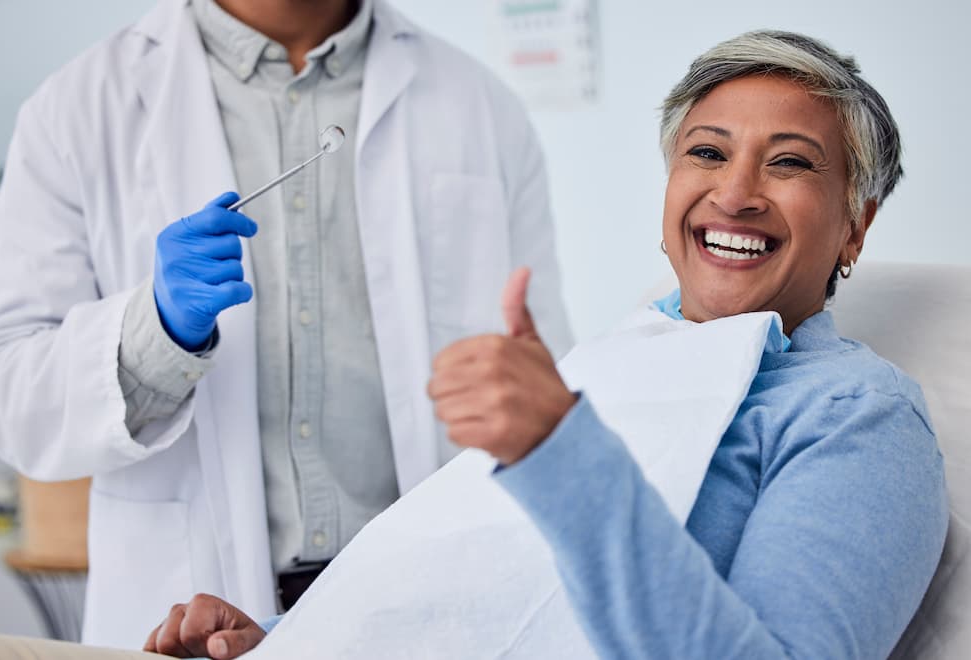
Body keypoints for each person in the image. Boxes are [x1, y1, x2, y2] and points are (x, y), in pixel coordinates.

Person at [125, 30, 946, 660]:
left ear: (856, 224)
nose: (734, 193)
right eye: (706, 152)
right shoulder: (609, 363)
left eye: (791, 164)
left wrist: (565, 457)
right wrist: (289, 638)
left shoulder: (856, 418)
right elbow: (475, 586)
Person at [0, 0, 572, 649]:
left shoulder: (479, 105)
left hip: (432, 612)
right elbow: (11, 407)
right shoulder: (78, 109)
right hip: (192, 619)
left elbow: (547, 373)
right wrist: (155, 334)